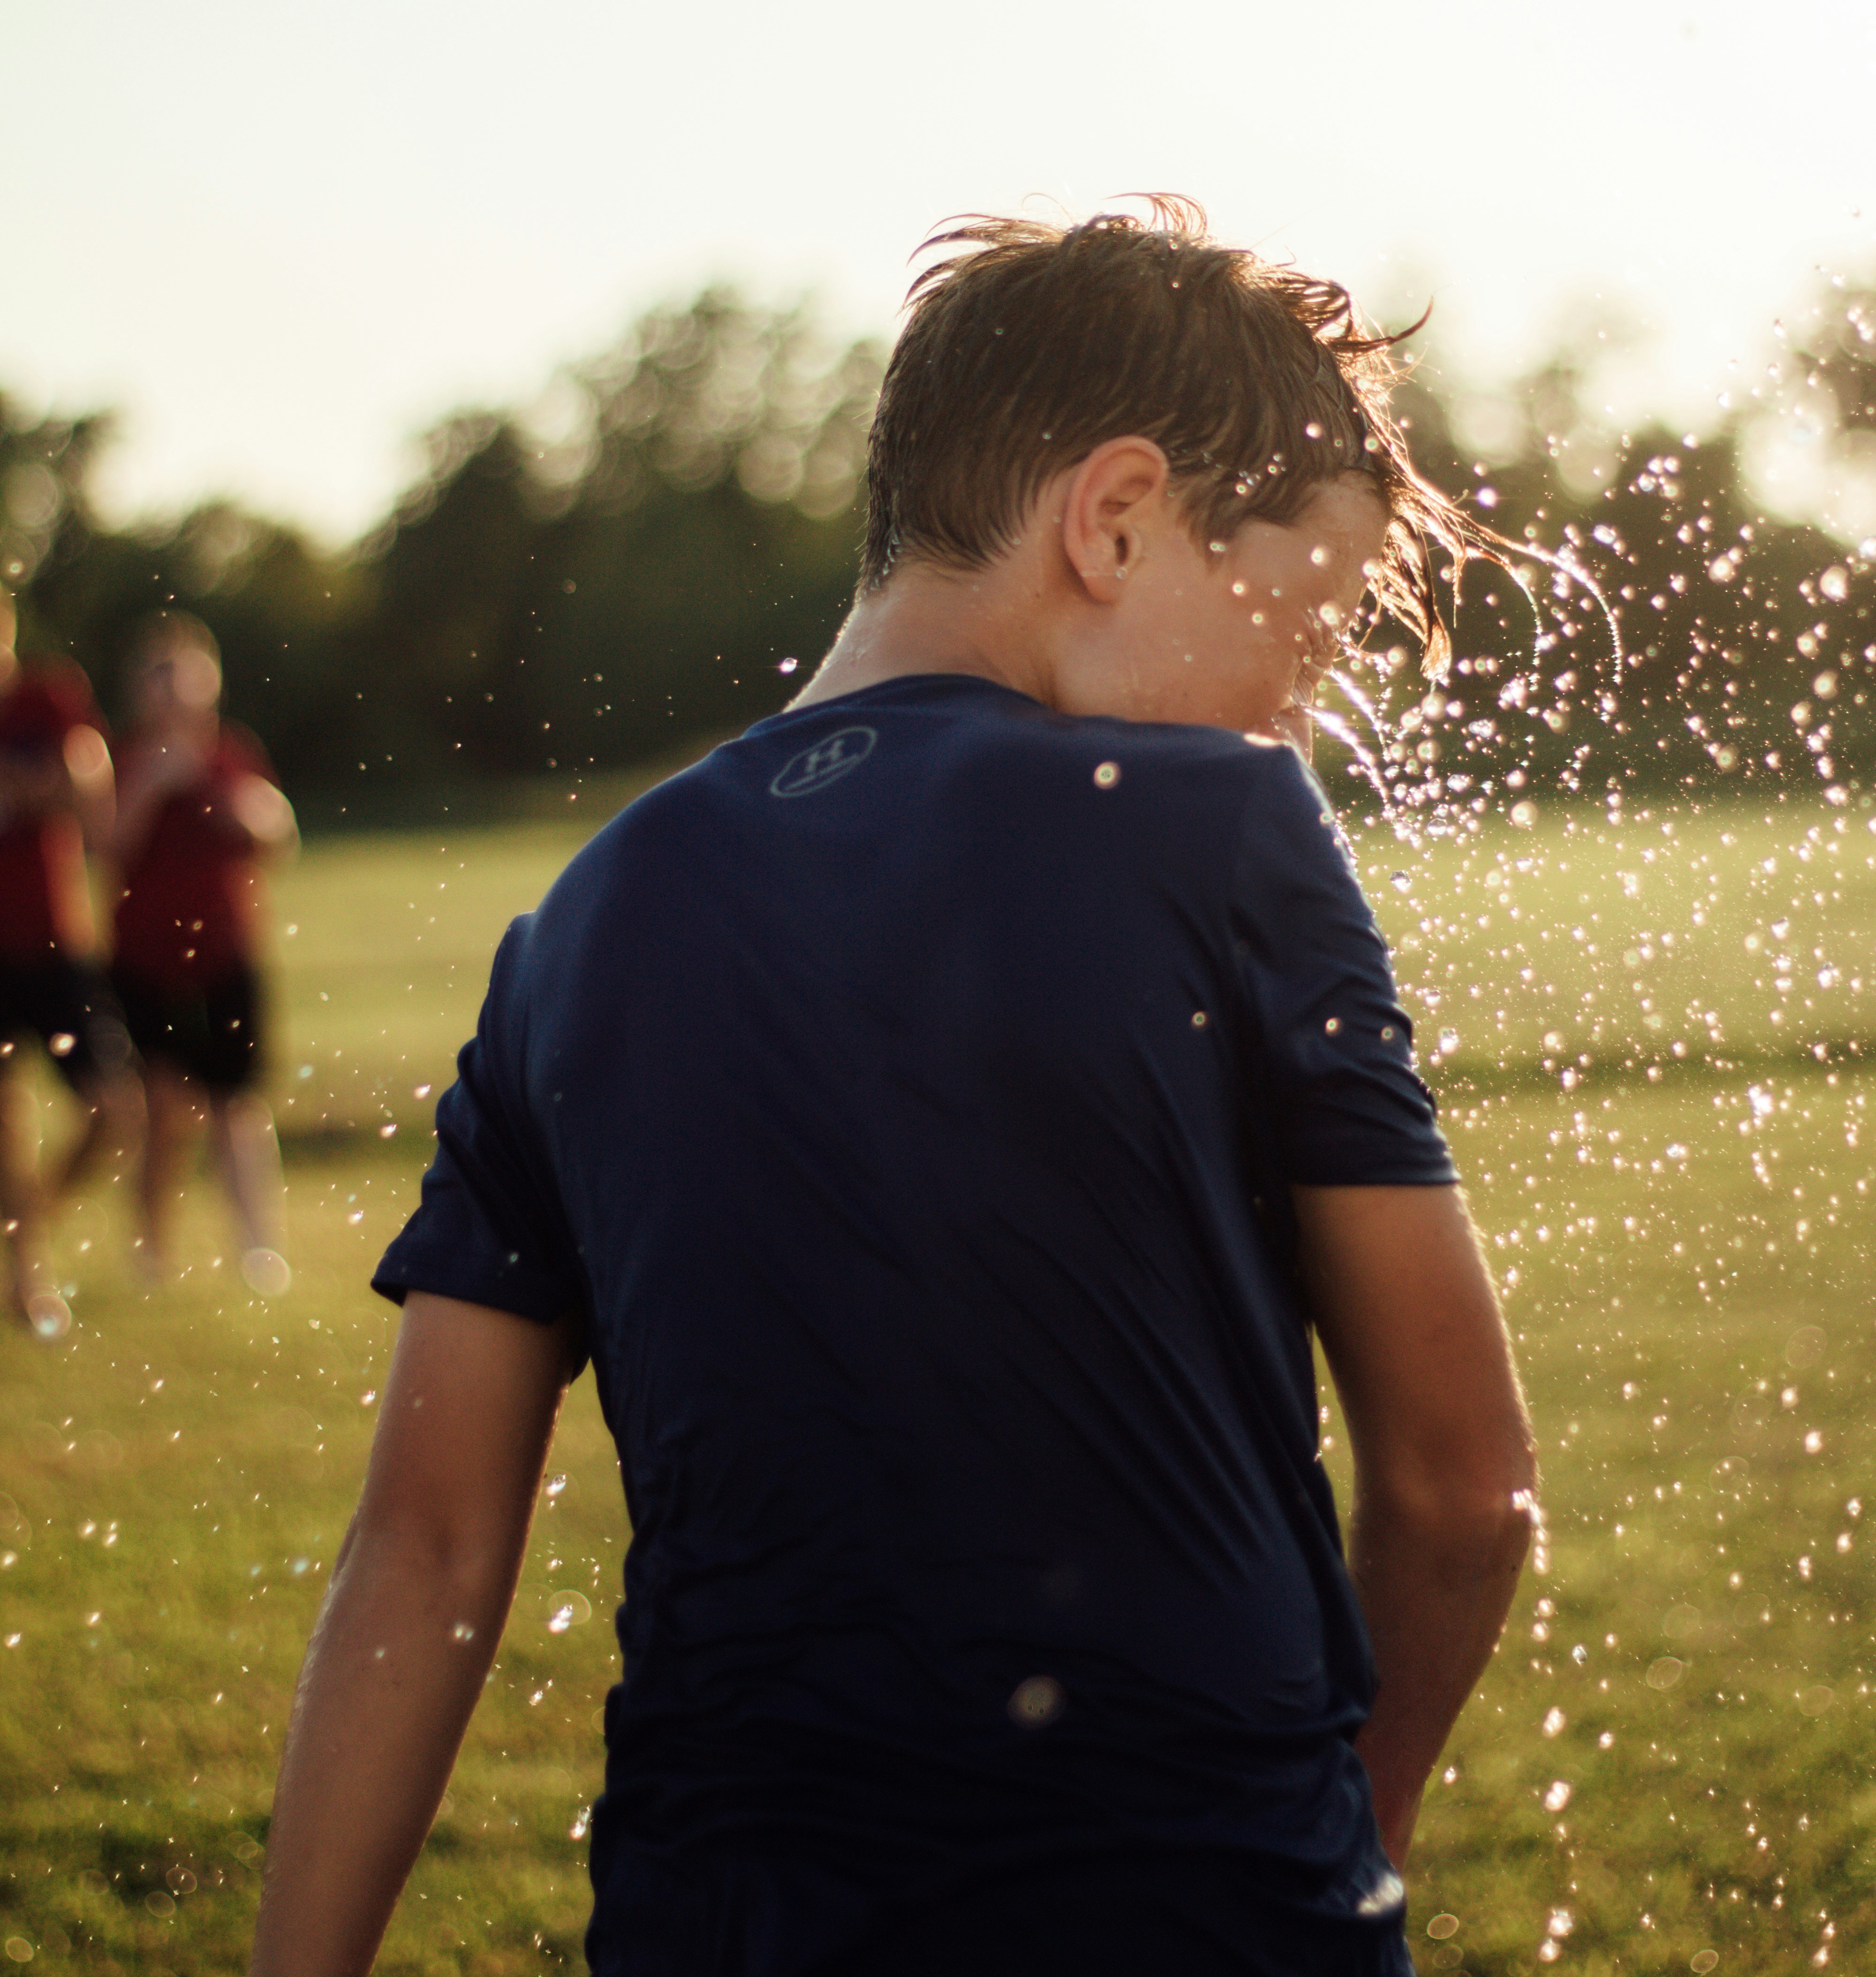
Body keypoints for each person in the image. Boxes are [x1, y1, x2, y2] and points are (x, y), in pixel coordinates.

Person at [252, 204, 1536, 1977]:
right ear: (1114, 518)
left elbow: (424, 1549)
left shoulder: (577, 927)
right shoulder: (1218, 829)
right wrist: (1348, 1834)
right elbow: (1465, 1489)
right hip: (1193, 1911)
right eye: (1297, 647)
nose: (1288, 727)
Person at [109, 612, 297, 1292]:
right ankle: (151, 1251)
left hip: (225, 953)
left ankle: (258, 1251)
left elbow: (279, 837)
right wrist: (151, 789)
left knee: (236, 1105)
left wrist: (242, 805)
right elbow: (105, 849)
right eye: (157, 682)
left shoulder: (230, 756)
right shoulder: (126, 759)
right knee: (163, 1109)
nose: (170, 697)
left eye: (182, 681)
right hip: (146, 960)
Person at [0, 589, 138, 1337]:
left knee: (116, 1110)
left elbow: (82, 792)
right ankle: (30, 1284)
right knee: (6, 1122)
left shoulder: (48, 696)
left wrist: (28, 789)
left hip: (57, 942)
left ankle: (29, 1221)